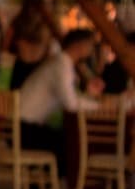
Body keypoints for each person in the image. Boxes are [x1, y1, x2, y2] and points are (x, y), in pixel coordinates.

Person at [15, 27, 100, 160]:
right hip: (24, 129)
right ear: (80, 45)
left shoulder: (61, 63)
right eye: (90, 45)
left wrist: (90, 98)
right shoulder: (62, 65)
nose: (91, 50)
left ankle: (44, 179)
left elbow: (71, 98)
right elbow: (70, 104)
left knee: (71, 142)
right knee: (73, 146)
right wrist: (99, 106)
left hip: (22, 126)